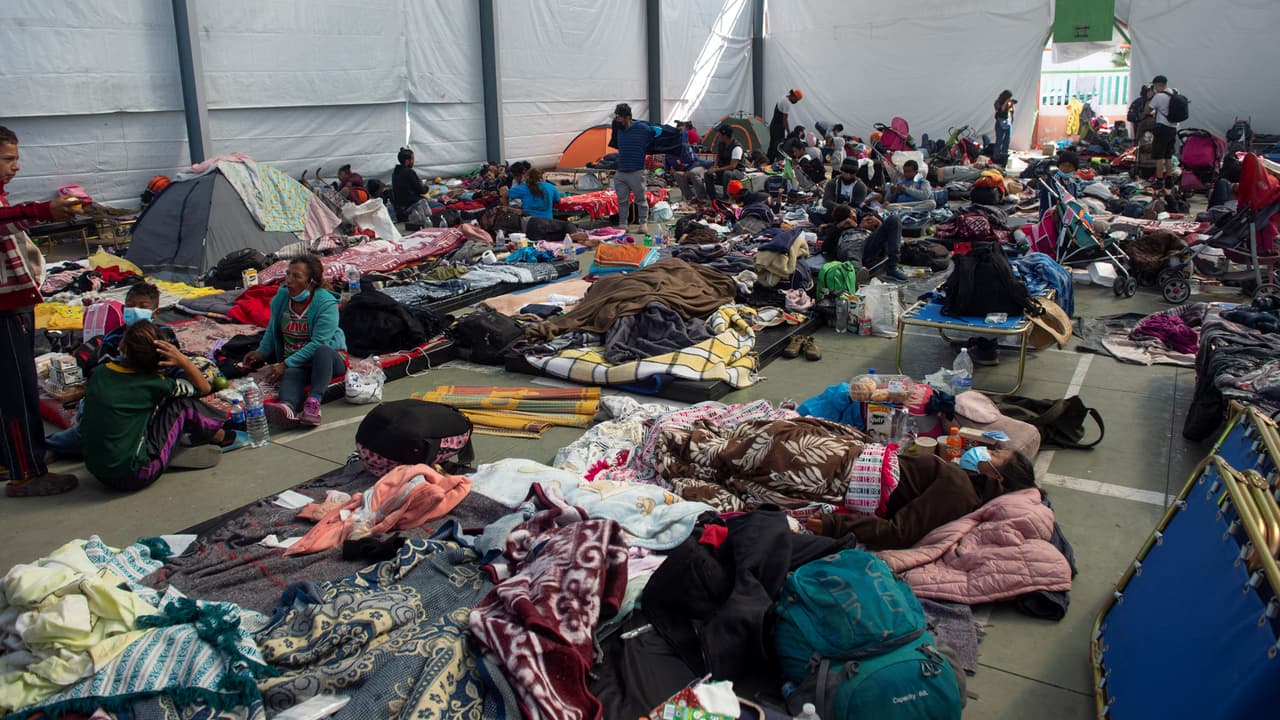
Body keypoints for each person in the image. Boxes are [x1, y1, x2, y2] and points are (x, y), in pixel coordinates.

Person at [0, 126, 81, 496]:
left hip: (15, 303)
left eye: (16, 159)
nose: (15, 167)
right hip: (6, 309)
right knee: (17, 392)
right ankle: (26, 473)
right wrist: (43, 211)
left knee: (14, 389)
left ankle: (13, 457)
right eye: (7, 159)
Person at [79, 320, 237, 491]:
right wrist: (183, 360)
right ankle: (221, 435)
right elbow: (204, 388)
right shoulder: (154, 384)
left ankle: (170, 448)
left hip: (98, 471)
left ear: (122, 346)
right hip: (134, 474)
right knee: (183, 405)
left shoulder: (100, 372)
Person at [806, 448, 1039, 550]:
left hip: (853, 474)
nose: (986, 450)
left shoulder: (961, 492)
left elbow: (899, 532)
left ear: (997, 476)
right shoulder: (966, 482)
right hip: (859, 460)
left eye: (995, 454)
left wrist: (835, 524)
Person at [46, 283, 166, 459]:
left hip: (144, 397)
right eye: (131, 306)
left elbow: (172, 370)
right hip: (116, 397)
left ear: (155, 313)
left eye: (142, 307)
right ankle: (50, 445)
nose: (135, 310)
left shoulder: (164, 337)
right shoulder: (113, 339)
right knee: (90, 424)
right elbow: (100, 375)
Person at [243, 254, 347, 429]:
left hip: (328, 360)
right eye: (288, 274)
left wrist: (285, 364)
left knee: (321, 351)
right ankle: (287, 408)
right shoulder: (282, 298)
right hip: (298, 361)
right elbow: (272, 328)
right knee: (291, 374)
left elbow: (318, 342)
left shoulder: (326, 304)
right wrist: (261, 352)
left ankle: (314, 402)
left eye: (296, 276)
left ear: (311, 282)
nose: (289, 280)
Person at [817, 203, 907, 282]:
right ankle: (856, 272)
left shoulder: (863, 219)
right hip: (850, 242)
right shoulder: (835, 227)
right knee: (853, 250)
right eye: (852, 213)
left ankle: (892, 267)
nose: (855, 214)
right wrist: (838, 227)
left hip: (868, 243)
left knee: (894, 219)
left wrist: (878, 224)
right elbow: (825, 247)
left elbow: (885, 231)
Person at [608, 103, 652, 230]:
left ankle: (643, 223)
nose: (617, 119)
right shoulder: (618, 128)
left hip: (636, 170)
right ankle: (623, 224)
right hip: (621, 171)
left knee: (641, 199)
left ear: (627, 117)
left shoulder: (642, 128)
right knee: (622, 200)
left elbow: (655, 135)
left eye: (619, 117)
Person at [1146, 75, 1179, 190]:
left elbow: (1147, 110)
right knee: (1168, 155)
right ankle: (1169, 179)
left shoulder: (1159, 96)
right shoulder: (1174, 92)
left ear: (1157, 84)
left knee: (1159, 155)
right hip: (1173, 128)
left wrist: (1150, 98)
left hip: (1162, 128)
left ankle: (1159, 180)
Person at [704, 124, 745, 200]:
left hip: (737, 171)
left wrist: (717, 170)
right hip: (723, 168)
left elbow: (732, 166)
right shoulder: (721, 144)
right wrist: (714, 166)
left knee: (727, 174)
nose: (718, 136)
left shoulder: (737, 147)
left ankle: (726, 198)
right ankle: (713, 197)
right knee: (707, 174)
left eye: (719, 135)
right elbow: (718, 157)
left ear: (725, 136)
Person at [1039, 150, 1081, 217]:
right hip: (1050, 216)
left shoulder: (1073, 184)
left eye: (1069, 166)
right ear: (1059, 166)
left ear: (1074, 168)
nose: (1066, 168)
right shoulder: (1052, 181)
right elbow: (1058, 200)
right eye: (1063, 165)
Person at [391, 146, 428, 221]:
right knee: (439, 206)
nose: (414, 161)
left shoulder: (395, 172)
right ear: (407, 161)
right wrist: (426, 187)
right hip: (411, 205)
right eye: (413, 159)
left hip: (400, 207)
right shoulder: (409, 172)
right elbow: (421, 190)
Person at [768, 88, 803, 161]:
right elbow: (785, 120)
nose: (796, 102)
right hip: (778, 128)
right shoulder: (787, 103)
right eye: (796, 100)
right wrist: (789, 132)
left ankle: (769, 160)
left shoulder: (784, 97)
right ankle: (776, 161)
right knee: (778, 146)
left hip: (773, 125)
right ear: (794, 96)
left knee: (772, 145)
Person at [993, 90, 1016, 165]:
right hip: (1000, 123)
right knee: (999, 141)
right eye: (1009, 97)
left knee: (1007, 140)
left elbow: (1012, 111)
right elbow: (1001, 110)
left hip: (1007, 122)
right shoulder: (997, 102)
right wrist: (1006, 102)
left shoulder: (1009, 103)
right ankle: (996, 157)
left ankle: (1004, 156)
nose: (1010, 99)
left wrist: (1012, 105)